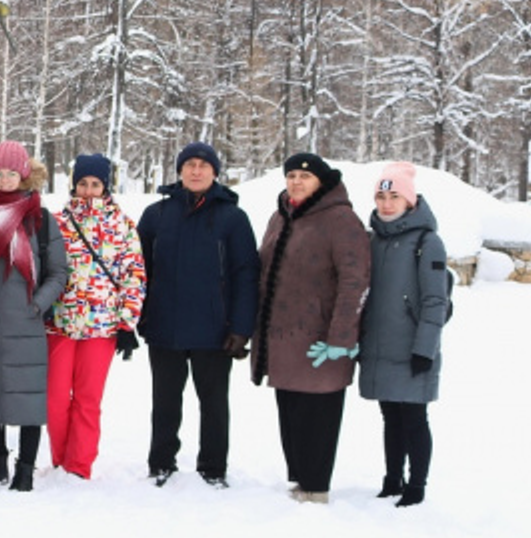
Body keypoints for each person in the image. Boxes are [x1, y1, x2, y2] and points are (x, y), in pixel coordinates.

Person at [136, 142, 259, 489]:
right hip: (165, 326)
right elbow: (137, 270)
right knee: (164, 402)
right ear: (179, 171)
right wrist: (140, 317)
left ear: (215, 172)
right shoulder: (156, 215)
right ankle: (161, 462)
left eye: (203, 165)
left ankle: (213, 466)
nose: (196, 171)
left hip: (215, 330)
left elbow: (246, 274)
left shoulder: (232, 217)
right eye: (189, 164)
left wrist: (241, 326)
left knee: (215, 403)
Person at [252, 152, 370, 504]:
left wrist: (341, 337)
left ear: (322, 182)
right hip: (282, 337)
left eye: (305, 177)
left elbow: (356, 280)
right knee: (290, 409)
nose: (296, 182)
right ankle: (301, 477)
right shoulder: (281, 216)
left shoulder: (341, 220)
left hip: (322, 338)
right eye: (291, 176)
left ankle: (316, 486)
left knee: (318, 413)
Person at [0, 142, 68, 491]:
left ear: (24, 174)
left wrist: (37, 305)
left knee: (28, 396)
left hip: (25, 321)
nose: (4, 180)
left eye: (11, 173)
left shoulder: (40, 219)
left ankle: (25, 467)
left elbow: (58, 273)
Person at [46, 154, 145, 479]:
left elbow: (134, 276)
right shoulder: (56, 222)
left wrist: (127, 322)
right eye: (83, 184)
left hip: (101, 326)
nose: (88, 191)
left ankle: (78, 465)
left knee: (87, 399)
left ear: (105, 188)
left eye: (95, 184)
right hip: (59, 323)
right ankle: (60, 459)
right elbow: (42, 268)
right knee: (56, 398)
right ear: (74, 185)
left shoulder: (122, 225)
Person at [358, 162, 446, 508]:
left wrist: (425, 348)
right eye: (381, 196)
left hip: (412, 349)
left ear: (409, 200)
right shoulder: (374, 239)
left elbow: (436, 300)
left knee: (413, 419)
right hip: (379, 347)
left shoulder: (427, 242)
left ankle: (417, 485)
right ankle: (392, 478)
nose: (386, 204)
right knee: (390, 417)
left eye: (394, 196)